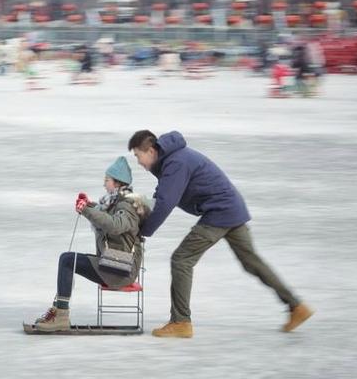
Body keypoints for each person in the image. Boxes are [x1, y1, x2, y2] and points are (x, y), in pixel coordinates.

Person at [128, 130, 313, 338]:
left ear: (151, 150)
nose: (138, 162)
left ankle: (181, 322)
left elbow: (165, 203)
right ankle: (297, 306)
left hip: (219, 212)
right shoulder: (172, 160)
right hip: (231, 208)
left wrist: (143, 231)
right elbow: (163, 195)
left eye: (138, 155)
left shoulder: (175, 163)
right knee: (251, 262)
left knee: (181, 260)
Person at [34, 157, 151, 332]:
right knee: (68, 260)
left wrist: (87, 210)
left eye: (107, 180)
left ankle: (61, 315)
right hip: (114, 263)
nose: (104, 184)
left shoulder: (128, 207)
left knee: (67, 260)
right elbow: (107, 214)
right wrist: (89, 205)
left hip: (121, 270)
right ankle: (59, 310)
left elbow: (114, 225)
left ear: (118, 183)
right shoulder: (119, 202)